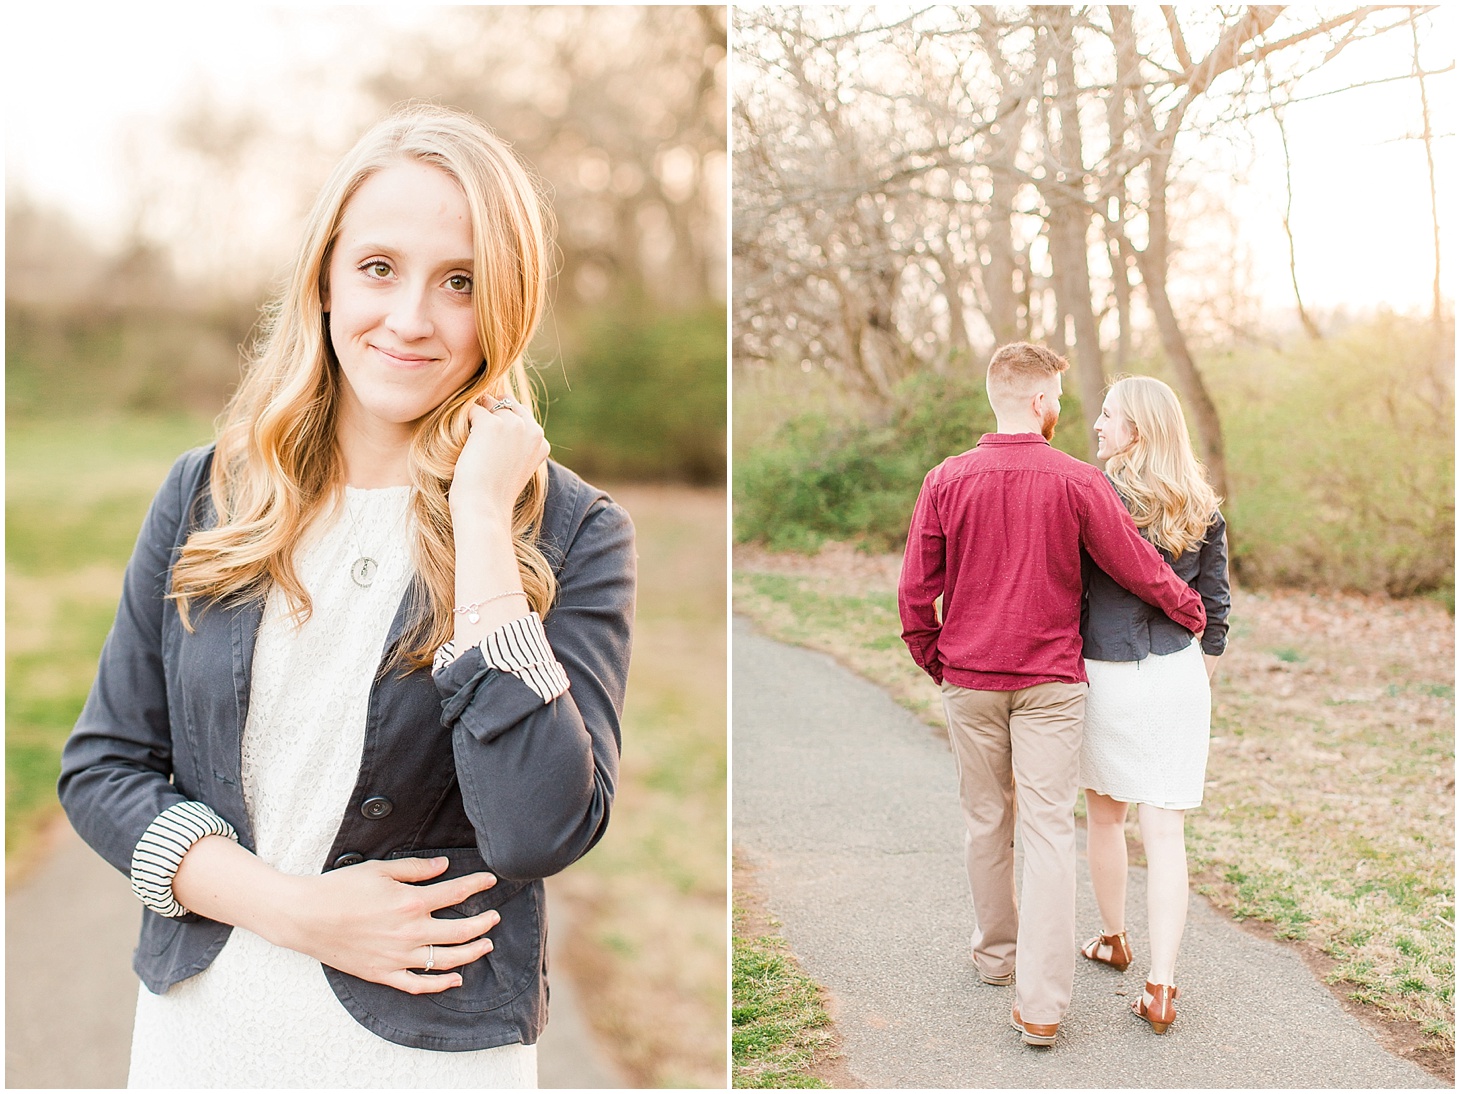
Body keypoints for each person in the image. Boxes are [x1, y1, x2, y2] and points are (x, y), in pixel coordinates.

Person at [57, 104, 635, 1089]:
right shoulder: (207, 492)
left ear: (506, 301)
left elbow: (539, 826)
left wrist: (483, 524)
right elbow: (104, 769)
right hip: (203, 1036)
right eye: (378, 267)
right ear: (324, 275)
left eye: (459, 282)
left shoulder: (568, 528)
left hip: (432, 1058)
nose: (410, 317)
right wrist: (293, 908)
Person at [897, 342, 1206, 1048]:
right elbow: (1135, 567)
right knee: (1043, 829)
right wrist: (1190, 608)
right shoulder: (1077, 481)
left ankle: (996, 959)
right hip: (1050, 687)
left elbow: (917, 589)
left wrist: (934, 658)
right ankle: (1041, 1006)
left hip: (970, 679)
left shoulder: (945, 479)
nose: (1065, 411)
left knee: (985, 821)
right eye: (1060, 398)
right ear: (1041, 401)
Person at [1076, 376, 1229, 1036]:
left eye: (1109, 415)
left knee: (1106, 819)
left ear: (1136, 428)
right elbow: (1216, 612)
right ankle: (1161, 988)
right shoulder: (1202, 504)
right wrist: (1198, 672)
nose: (1098, 425)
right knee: (1165, 835)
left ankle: (1114, 938)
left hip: (1105, 674)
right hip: (1179, 677)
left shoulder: (1092, 495)